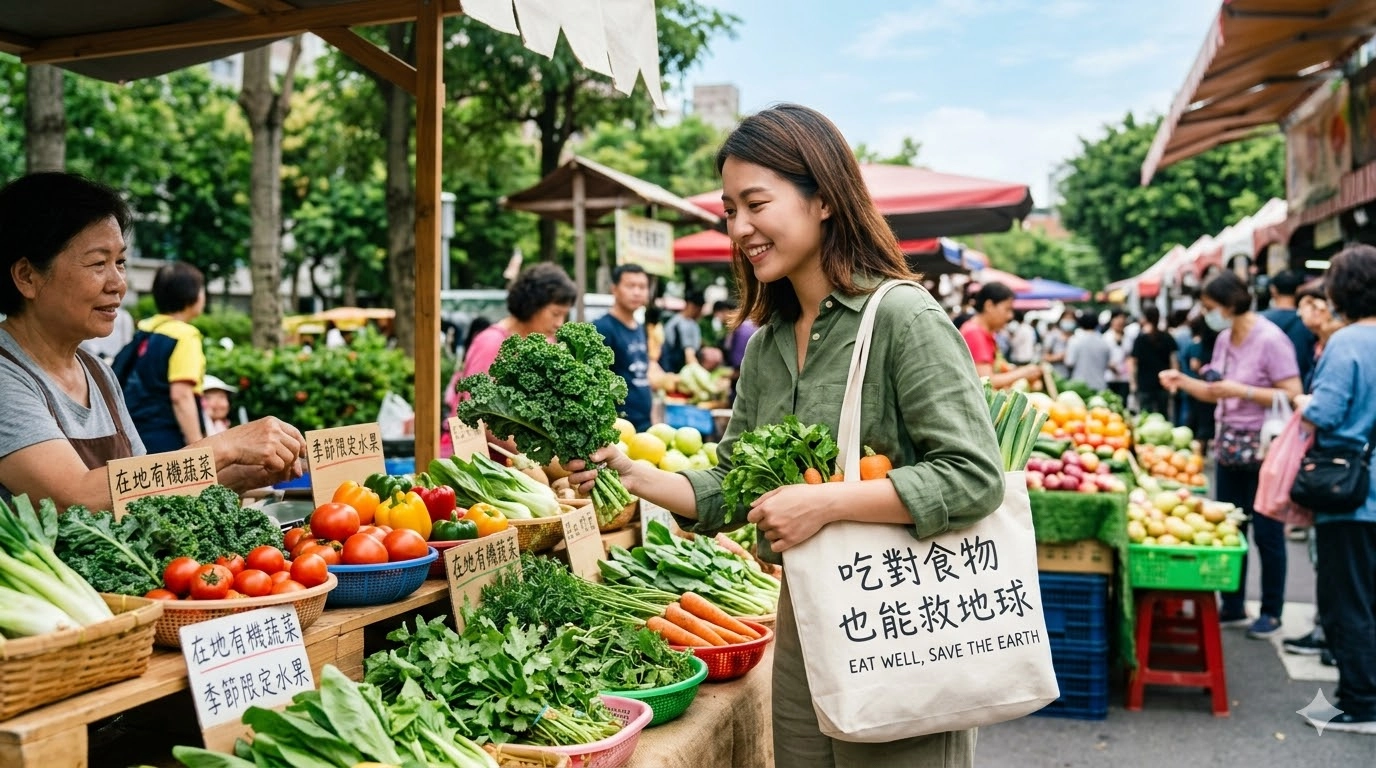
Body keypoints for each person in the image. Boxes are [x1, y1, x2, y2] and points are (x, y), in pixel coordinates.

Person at [568, 103, 1003, 766]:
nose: (739, 228)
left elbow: (974, 476)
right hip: (806, 626)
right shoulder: (768, 345)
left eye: (756, 204)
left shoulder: (903, 318)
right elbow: (734, 487)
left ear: (823, 199)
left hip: (899, 623)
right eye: (729, 210)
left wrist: (824, 503)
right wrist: (635, 475)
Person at [0, 172, 306, 510]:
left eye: (120, 262)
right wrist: (223, 448)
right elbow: (75, 497)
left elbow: (141, 495)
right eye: (98, 263)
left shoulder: (99, 374)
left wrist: (236, 477)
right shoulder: (5, 378)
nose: (118, 283)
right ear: (26, 276)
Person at [1160, 271, 1302, 639]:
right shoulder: (1224, 339)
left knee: (1268, 531)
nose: (1207, 314)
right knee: (1230, 525)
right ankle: (1234, 603)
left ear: (1229, 304)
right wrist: (1184, 382)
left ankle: (1271, 611)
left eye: (1210, 307)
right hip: (1228, 445)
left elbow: (1292, 393)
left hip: (1264, 448)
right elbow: (1216, 391)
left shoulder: (1271, 339)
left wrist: (1245, 390)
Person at [1290, 244, 1376, 733]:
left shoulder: (1346, 343)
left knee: (1349, 598)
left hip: (1352, 492)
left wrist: (1302, 399)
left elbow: (1325, 411)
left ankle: (1359, 701)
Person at [443, 262, 576, 455]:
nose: (559, 323)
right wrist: (533, 453)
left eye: (564, 315)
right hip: (492, 465)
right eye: (555, 314)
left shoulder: (547, 343)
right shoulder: (492, 342)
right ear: (532, 305)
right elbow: (476, 413)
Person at [117, 261, 208, 452]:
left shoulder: (146, 329)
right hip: (167, 441)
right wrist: (199, 448)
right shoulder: (185, 336)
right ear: (191, 295)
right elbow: (181, 396)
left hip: (133, 436)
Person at [593, 264, 653, 432]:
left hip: (643, 422)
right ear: (614, 289)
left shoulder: (640, 327)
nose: (637, 292)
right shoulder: (602, 328)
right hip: (618, 425)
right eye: (630, 286)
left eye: (642, 287)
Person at [958, 282, 1042, 389]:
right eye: (1007, 309)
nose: (1010, 316)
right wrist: (1022, 373)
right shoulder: (974, 333)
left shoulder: (985, 332)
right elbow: (986, 381)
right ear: (989, 306)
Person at [1262, 269, 1318, 384]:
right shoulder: (1309, 322)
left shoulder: (1258, 320)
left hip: (1263, 391)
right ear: (1299, 290)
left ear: (1273, 290)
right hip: (1299, 389)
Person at [1129, 306, 1179, 416]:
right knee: (1164, 415)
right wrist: (1175, 382)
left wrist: (1133, 383)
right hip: (1163, 383)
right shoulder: (1167, 337)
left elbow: (1133, 362)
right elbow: (1174, 361)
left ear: (1145, 318)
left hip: (1145, 384)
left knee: (1145, 415)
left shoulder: (1140, 339)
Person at [1065, 312, 1112, 391]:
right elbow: (1107, 363)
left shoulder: (1075, 340)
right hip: (1100, 386)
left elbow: (1069, 362)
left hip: (1079, 387)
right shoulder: (1104, 342)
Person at [660, 291, 703, 373]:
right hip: (674, 367)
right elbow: (689, 355)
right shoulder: (683, 324)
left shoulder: (677, 320)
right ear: (692, 307)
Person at [1103, 310, 1133, 402]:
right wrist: (1110, 366)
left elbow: (1130, 358)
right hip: (1109, 378)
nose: (1120, 323)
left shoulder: (1128, 338)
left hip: (1124, 379)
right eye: (1117, 319)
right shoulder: (1105, 337)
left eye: (1122, 320)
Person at [1043, 308, 1077, 379]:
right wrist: (1058, 357)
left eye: (1071, 319)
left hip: (1073, 377)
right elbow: (1044, 357)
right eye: (1066, 319)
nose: (1068, 321)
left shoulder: (1076, 337)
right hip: (1056, 376)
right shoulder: (1053, 335)